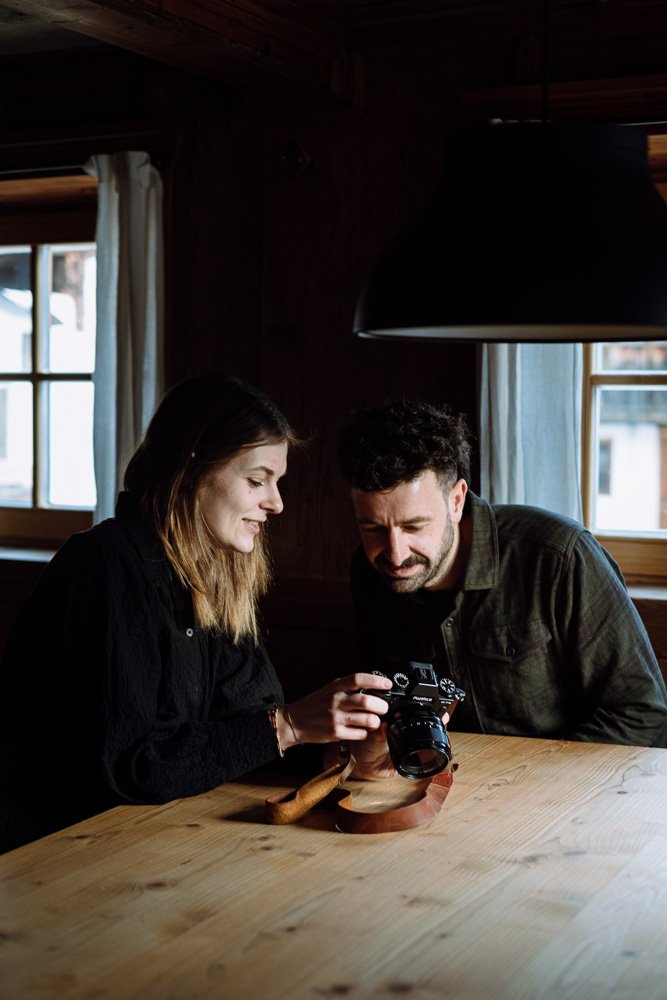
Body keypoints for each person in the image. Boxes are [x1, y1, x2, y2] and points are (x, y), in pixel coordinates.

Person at [0, 373, 391, 853]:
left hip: (155, 838)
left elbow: (249, 728)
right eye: (256, 480)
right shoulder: (106, 567)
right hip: (50, 854)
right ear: (190, 469)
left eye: (277, 482)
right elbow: (135, 767)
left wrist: (347, 746)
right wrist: (289, 725)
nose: (277, 503)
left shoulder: (218, 573)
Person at [337, 398, 667, 749]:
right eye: (372, 528)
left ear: (456, 500)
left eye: (414, 526)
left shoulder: (558, 556)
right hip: (442, 787)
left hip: (572, 790)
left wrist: (527, 780)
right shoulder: (370, 570)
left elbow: (642, 713)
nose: (395, 553)